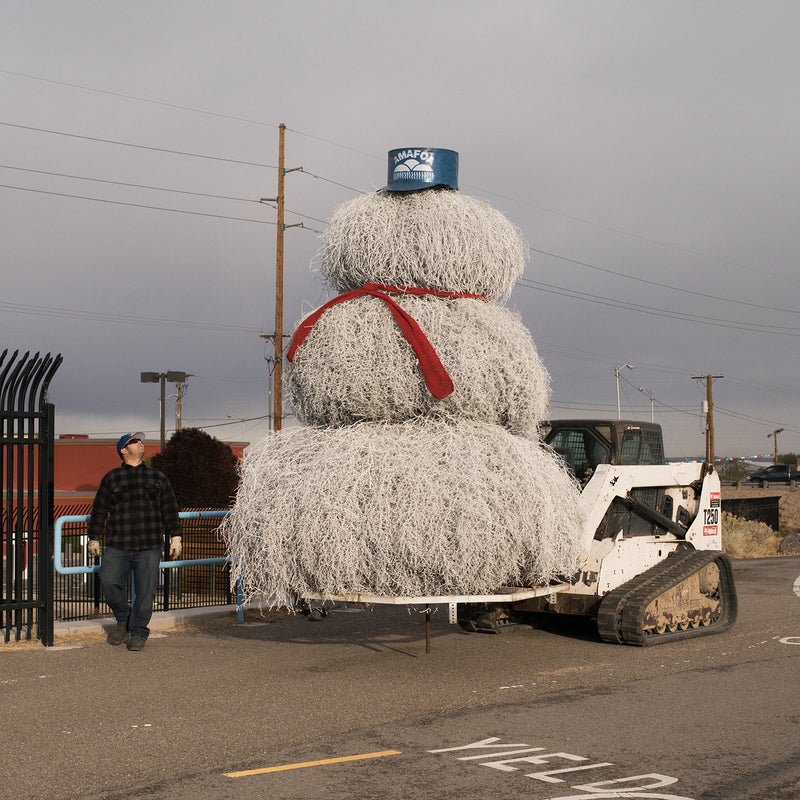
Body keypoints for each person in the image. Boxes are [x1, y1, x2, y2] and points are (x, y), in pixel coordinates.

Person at [87, 432, 182, 651]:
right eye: (134, 441)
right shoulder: (112, 478)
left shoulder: (157, 477)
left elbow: (170, 508)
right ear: (123, 450)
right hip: (118, 543)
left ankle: (138, 632)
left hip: (149, 544)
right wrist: (93, 537)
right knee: (108, 581)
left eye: (140, 441)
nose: (140, 443)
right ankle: (123, 618)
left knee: (146, 591)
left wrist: (176, 536)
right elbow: (99, 510)